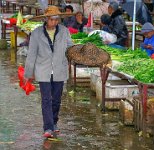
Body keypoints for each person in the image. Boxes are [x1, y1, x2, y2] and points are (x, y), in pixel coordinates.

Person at [24, 6, 73, 138]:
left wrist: (77, 55)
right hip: (43, 70)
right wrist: (29, 74)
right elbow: (32, 54)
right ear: (46, 19)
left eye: (57, 19)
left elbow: (70, 48)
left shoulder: (64, 31)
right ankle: (48, 128)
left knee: (56, 99)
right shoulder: (36, 33)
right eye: (52, 19)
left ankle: (54, 122)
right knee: (46, 99)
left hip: (59, 69)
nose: (55, 22)